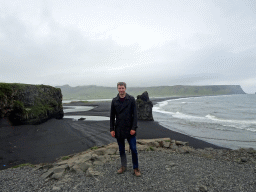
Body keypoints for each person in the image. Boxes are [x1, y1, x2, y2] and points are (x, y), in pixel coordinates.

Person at [110, 82, 141, 177]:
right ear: (117, 89)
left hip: (130, 129)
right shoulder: (114, 101)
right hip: (119, 128)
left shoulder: (131, 99)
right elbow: (112, 116)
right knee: (121, 149)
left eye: (122, 88)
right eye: (119, 88)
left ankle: (136, 168)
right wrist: (112, 129)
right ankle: (123, 166)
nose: (121, 90)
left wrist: (133, 128)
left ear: (125, 89)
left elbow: (135, 115)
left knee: (134, 149)